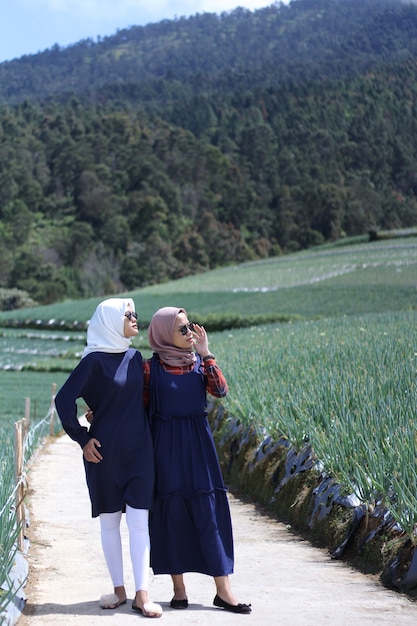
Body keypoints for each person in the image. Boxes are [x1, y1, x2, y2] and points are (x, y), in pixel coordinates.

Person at [54, 298, 162, 618]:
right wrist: (82, 439)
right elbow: (63, 400)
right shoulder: (93, 362)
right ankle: (119, 591)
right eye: (128, 315)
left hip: (140, 452)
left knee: (140, 521)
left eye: (134, 313)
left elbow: (138, 400)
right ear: (111, 321)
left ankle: (143, 595)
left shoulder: (135, 357)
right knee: (110, 522)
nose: (134, 318)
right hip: (104, 455)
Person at [145, 306, 251, 614]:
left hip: (198, 445)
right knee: (171, 512)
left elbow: (220, 391)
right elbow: (133, 407)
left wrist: (207, 354)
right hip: (164, 447)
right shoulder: (150, 369)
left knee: (208, 514)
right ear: (165, 334)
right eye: (182, 330)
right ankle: (179, 589)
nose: (190, 333)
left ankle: (224, 591)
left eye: (190, 327)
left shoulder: (198, 364)